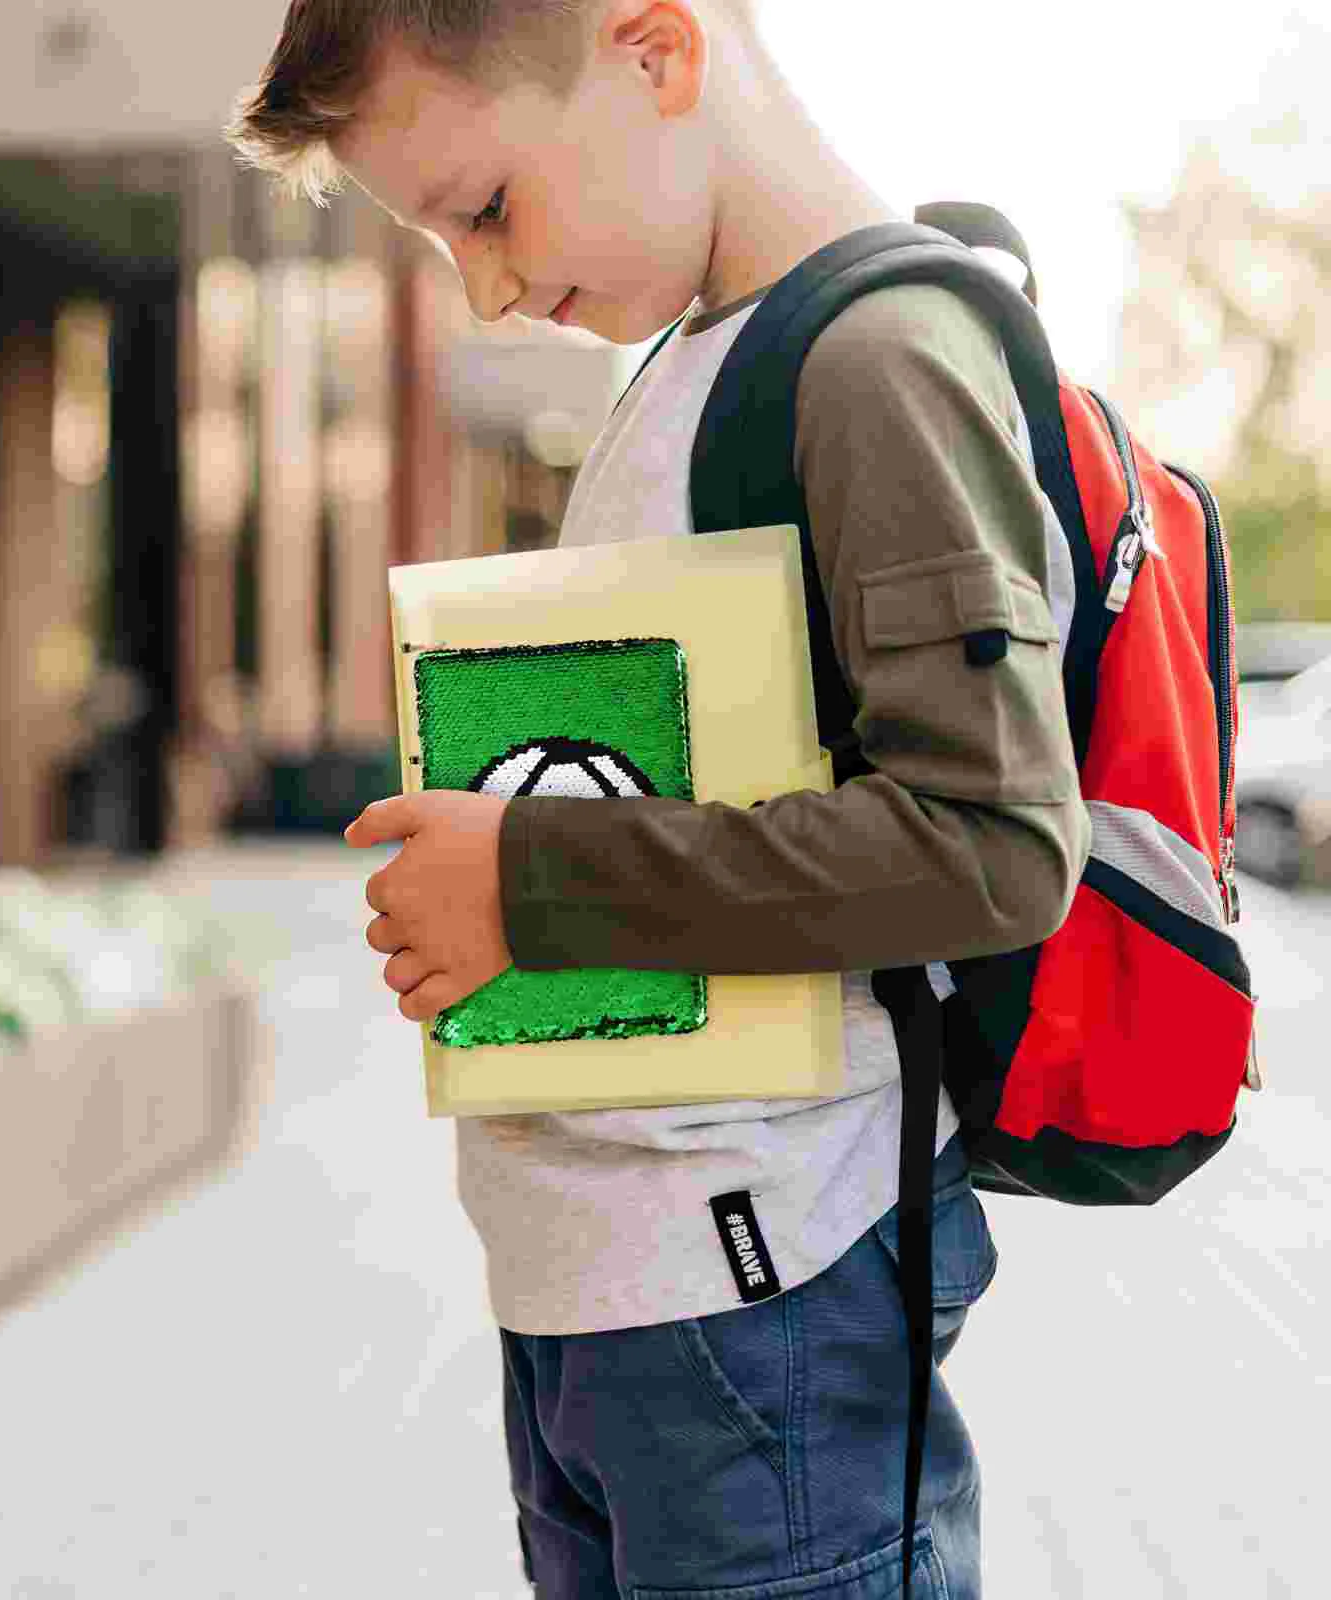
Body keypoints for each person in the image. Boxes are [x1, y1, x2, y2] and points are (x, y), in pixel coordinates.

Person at [229, 3, 1089, 1595]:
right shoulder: (694, 360)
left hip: (765, 1295)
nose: (484, 288)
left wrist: (531, 881)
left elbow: (994, 843)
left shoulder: (878, 353)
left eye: (485, 210)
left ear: (654, 50)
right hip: (614, 1299)